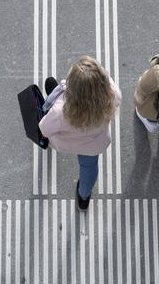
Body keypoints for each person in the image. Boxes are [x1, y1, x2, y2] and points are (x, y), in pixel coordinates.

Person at [39, 56, 121, 211]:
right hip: (93, 145)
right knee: (89, 168)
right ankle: (84, 197)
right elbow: (107, 79)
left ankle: (53, 95)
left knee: (51, 94)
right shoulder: (113, 97)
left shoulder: (60, 111)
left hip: (66, 144)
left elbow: (44, 129)